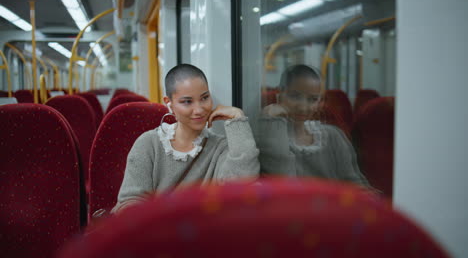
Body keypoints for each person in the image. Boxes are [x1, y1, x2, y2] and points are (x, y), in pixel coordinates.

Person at [113, 64, 260, 212]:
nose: (199, 110)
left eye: (204, 98)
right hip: (155, 230)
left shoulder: (220, 147)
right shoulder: (148, 144)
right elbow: (130, 202)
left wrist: (237, 118)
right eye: (187, 102)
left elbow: (241, 184)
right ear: (168, 103)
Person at [257, 64, 371, 188]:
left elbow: (356, 184)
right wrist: (272, 123)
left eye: (312, 99)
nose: (303, 107)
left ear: (320, 102)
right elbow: (284, 182)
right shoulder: (271, 137)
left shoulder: (334, 136)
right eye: (294, 96)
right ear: (279, 94)